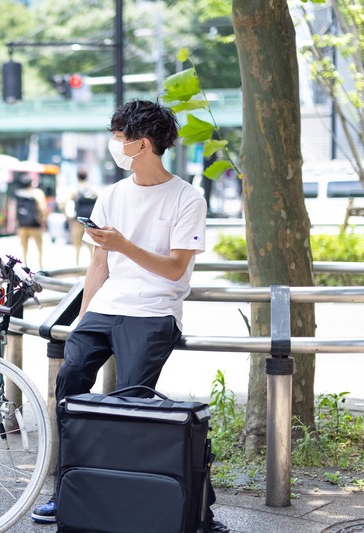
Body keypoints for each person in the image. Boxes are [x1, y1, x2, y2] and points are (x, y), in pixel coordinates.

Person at [30, 100, 228, 532]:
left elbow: (175, 268)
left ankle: (127, 492)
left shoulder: (187, 197)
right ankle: (67, 490)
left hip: (154, 310)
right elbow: (98, 266)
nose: (114, 144)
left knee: (131, 404)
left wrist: (125, 246)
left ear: (141, 145)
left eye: (119, 137)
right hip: (105, 308)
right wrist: (83, 319)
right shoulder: (112, 195)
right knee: (69, 387)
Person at [66, 169, 98, 266]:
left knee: (77, 246)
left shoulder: (74, 189)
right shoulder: (94, 189)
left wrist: (68, 217)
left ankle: (77, 265)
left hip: (78, 221)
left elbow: (66, 204)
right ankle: (91, 266)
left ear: (77, 177)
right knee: (91, 246)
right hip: (90, 222)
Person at [14, 174, 47, 269]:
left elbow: (13, 209)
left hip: (22, 225)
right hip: (35, 225)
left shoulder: (17, 193)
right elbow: (42, 208)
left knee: (24, 247)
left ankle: (25, 265)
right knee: (39, 247)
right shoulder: (37, 193)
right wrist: (42, 221)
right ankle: (40, 266)